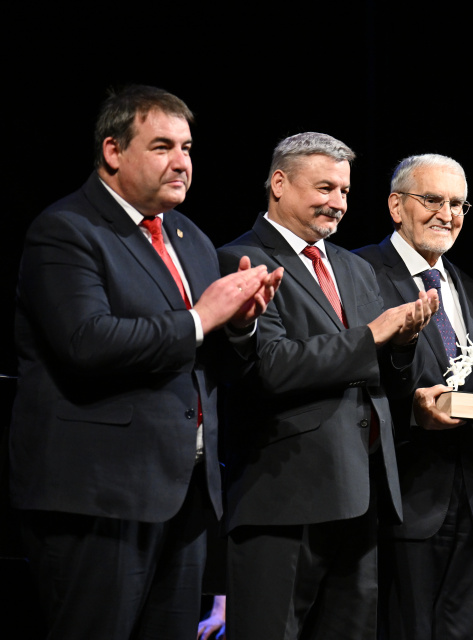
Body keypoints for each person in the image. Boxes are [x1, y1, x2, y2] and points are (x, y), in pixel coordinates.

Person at [8, 84, 282, 640]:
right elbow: (86, 343)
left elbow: (213, 366)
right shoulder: (66, 230)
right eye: (162, 147)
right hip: (99, 497)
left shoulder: (190, 238)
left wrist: (240, 324)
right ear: (113, 151)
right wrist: (201, 318)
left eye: (187, 148)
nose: (181, 162)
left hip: (182, 498)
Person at [217, 132, 438, 640]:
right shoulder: (240, 260)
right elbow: (270, 366)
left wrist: (402, 345)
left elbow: (381, 378)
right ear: (279, 183)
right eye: (325, 188)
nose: (338, 203)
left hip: (361, 494)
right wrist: (372, 335)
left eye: (344, 191)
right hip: (283, 497)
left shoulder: (354, 267)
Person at [354, 154, 473, 639]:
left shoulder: (469, 287)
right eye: (433, 200)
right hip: (398, 505)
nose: (448, 214)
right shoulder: (359, 272)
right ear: (396, 206)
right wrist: (411, 414)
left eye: (458, 204)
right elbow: (352, 381)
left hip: (472, 508)